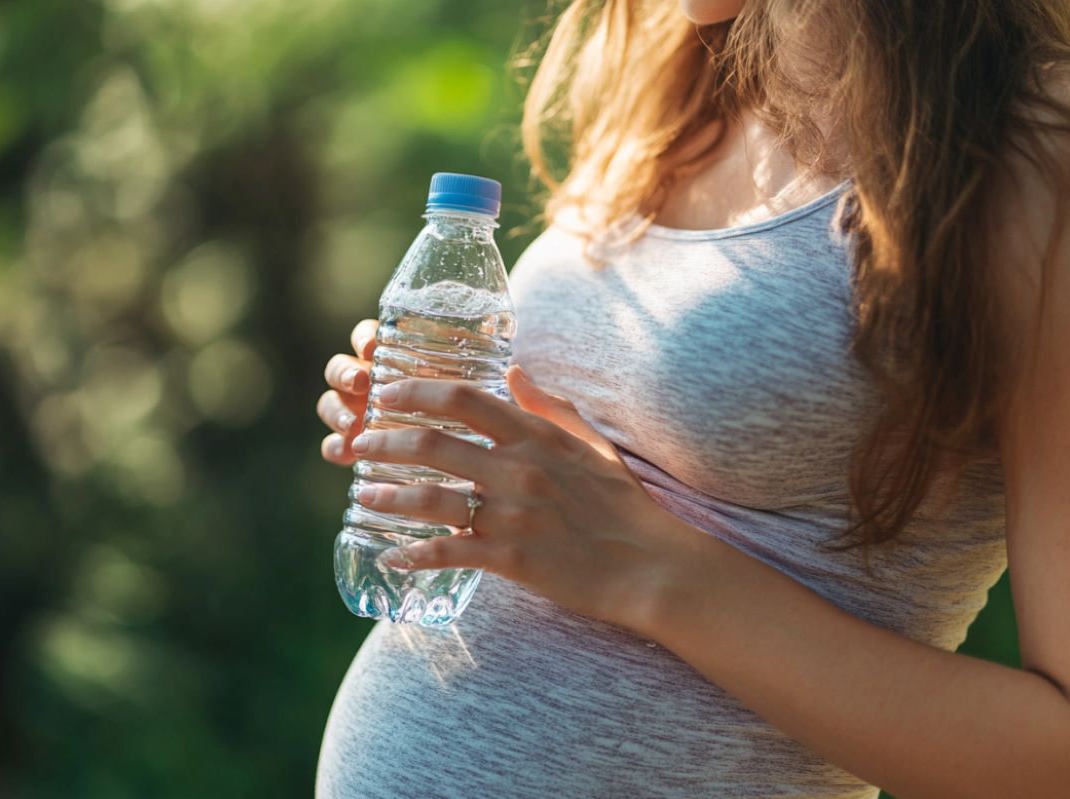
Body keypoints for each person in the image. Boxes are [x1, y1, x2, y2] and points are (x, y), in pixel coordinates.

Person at [314, 1, 1070, 797]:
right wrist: (455, 438)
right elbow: (601, 466)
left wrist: (648, 569)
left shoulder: (1032, 155)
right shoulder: (688, 76)